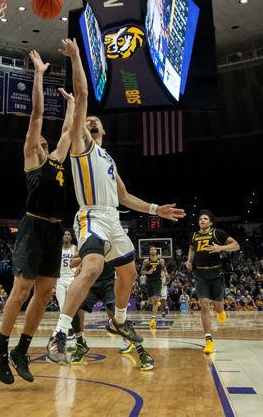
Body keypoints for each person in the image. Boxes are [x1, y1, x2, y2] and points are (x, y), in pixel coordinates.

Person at [46, 38, 185, 364]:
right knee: (93, 266)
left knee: (130, 274)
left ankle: (119, 321)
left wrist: (156, 209)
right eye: (87, 119)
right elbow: (81, 95)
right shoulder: (82, 145)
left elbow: (123, 196)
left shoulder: (108, 159)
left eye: (96, 120)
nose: (91, 120)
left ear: (104, 129)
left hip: (113, 217)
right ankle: (61, 332)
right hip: (90, 216)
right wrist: (77, 57)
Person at [0, 49, 77, 385]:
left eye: (44, 137)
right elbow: (38, 113)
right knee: (23, 286)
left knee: (45, 292)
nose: (42, 136)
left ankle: (22, 350)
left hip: (55, 231)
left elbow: (69, 130)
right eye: (38, 136)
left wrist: (71, 104)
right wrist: (39, 74)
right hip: (33, 225)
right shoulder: (32, 157)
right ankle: (1, 346)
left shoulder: (57, 159)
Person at [68, 254, 154, 370]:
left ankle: (141, 351)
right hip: (90, 282)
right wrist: (85, 258)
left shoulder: (109, 239)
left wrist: (93, 257)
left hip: (109, 283)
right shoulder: (86, 240)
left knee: (117, 316)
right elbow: (72, 262)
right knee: (74, 306)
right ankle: (80, 344)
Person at [186, 210, 240, 354]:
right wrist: (189, 261)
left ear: (210, 222)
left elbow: (236, 245)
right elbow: (191, 248)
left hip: (216, 272)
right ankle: (208, 340)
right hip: (200, 273)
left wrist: (220, 248)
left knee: (218, 306)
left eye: (205, 219)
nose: (202, 221)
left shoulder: (218, 233)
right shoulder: (193, 235)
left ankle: (221, 311)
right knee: (204, 304)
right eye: (200, 219)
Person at [140, 246, 165, 328]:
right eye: (151, 249)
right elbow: (142, 271)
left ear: (156, 251)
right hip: (149, 281)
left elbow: (164, 269)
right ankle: (157, 303)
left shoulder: (161, 260)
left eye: (154, 249)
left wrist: (167, 275)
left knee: (154, 299)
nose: (152, 250)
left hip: (157, 281)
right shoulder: (146, 261)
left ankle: (153, 319)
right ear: (149, 251)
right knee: (150, 301)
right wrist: (148, 272)